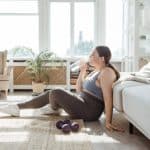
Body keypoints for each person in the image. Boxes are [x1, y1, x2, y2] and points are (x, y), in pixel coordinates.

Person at [0, 46, 123, 132]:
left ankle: (52, 108)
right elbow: (79, 89)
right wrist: (83, 71)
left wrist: (108, 122)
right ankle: (18, 107)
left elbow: (108, 98)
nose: (90, 56)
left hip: (90, 111)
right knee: (52, 92)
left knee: (56, 92)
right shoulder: (96, 71)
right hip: (83, 102)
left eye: (93, 54)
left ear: (102, 58)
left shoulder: (107, 72)